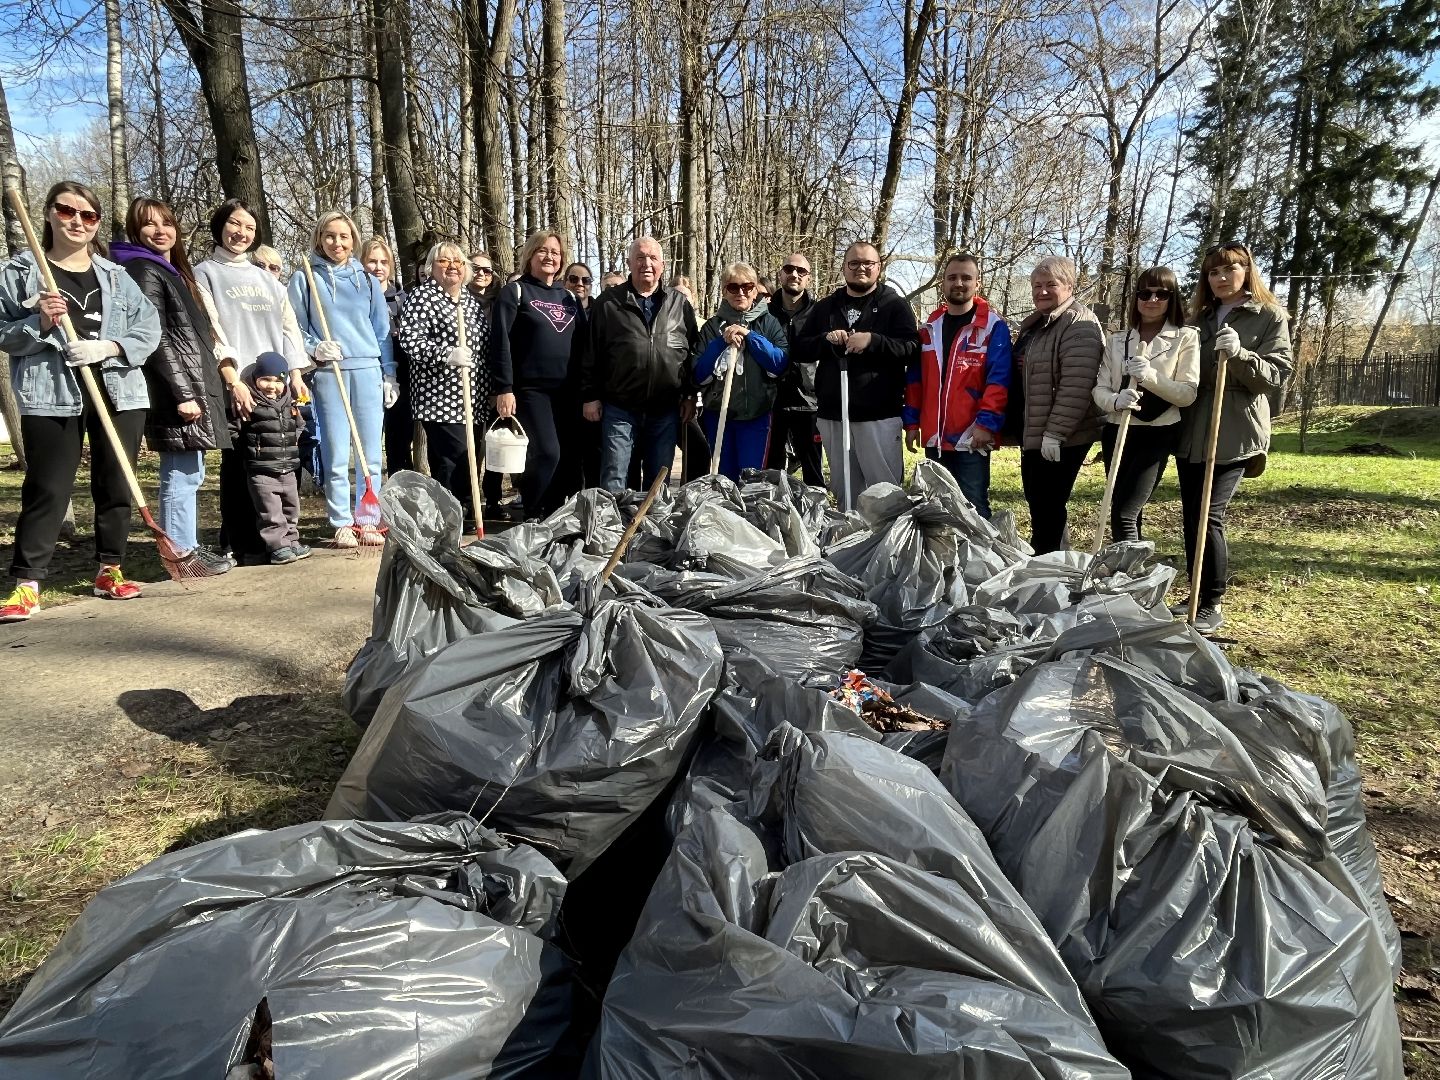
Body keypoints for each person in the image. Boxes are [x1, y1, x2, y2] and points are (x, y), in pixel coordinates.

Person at [0, 180, 162, 622]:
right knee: (47, 487)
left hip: (118, 389)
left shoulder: (115, 275)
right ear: (49, 214)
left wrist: (108, 347)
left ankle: (110, 568)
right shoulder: (19, 273)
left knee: (115, 483)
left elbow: (148, 329)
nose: (77, 221)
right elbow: (3, 332)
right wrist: (39, 323)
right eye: (67, 211)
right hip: (51, 391)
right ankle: (27, 584)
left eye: (88, 215)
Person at [110, 197, 234, 576]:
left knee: (191, 471)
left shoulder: (168, 270)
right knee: (181, 473)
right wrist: (181, 394)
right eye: (149, 224)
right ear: (135, 230)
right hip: (178, 390)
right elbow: (156, 337)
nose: (160, 231)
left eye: (167, 223)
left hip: (192, 383)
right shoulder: (143, 269)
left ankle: (188, 548)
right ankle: (180, 555)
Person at [1176, 242, 1293, 633]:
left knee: (1209, 514)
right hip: (1194, 429)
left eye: (1231, 270)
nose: (1221, 278)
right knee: (1192, 516)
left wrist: (1242, 354)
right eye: (1213, 272)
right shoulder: (1201, 318)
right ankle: (1193, 591)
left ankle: (1211, 601)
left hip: (1235, 429)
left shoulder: (1269, 316)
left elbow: (1276, 375)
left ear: (1247, 271)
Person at [193, 197, 307, 565]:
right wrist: (232, 378)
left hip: (275, 386)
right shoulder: (205, 273)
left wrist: (295, 376)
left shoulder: (267, 280)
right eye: (235, 224)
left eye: (249, 228)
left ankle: (278, 539)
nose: (241, 233)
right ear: (220, 226)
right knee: (240, 463)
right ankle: (241, 543)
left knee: (276, 462)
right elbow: (210, 328)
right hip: (238, 383)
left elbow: (289, 328)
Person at [289, 210, 394, 547]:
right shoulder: (305, 277)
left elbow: (381, 331)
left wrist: (388, 372)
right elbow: (294, 328)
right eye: (330, 235)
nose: (337, 242)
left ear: (353, 241)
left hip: (367, 369)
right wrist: (314, 347)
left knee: (370, 452)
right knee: (335, 450)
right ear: (320, 238)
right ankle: (341, 520)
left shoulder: (365, 279)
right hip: (330, 371)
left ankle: (368, 518)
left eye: (344, 236)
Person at [791, 241, 918, 508]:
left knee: (885, 494)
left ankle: (885, 544)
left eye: (867, 263)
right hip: (834, 414)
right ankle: (849, 541)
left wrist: (873, 341)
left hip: (878, 415)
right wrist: (826, 339)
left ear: (878, 267)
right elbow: (800, 348)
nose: (861, 268)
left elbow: (911, 348)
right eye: (854, 263)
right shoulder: (826, 307)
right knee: (844, 490)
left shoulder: (894, 305)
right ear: (844, 268)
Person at [1091, 266, 1199, 544]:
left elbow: (1187, 394)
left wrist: (1149, 376)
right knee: (1124, 509)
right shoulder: (1118, 340)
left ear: (1172, 298)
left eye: (1161, 294)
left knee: (1124, 512)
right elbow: (1100, 389)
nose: (1152, 300)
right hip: (1118, 430)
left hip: (1157, 432)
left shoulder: (1185, 338)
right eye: (1144, 293)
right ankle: (1128, 574)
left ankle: (1127, 576)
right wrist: (1116, 400)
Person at [583, 237, 698, 492]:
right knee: (615, 478)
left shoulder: (678, 304)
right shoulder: (609, 303)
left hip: (665, 408)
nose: (647, 263)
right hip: (620, 409)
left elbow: (692, 355)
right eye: (640, 258)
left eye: (653, 258)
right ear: (629, 263)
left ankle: (650, 529)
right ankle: (613, 530)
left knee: (659, 482)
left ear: (663, 265)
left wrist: (690, 395)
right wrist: (590, 396)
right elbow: (591, 352)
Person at [1006, 256, 1103, 554]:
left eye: (1051, 284)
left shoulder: (1078, 322)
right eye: (1037, 285)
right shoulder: (1038, 324)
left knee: (1048, 505)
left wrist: (1056, 433)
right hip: (1035, 429)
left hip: (1063, 434)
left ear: (1070, 286)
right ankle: (1053, 564)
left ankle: (1051, 569)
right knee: (1040, 504)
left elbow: (1077, 384)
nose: (1042, 291)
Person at [903, 252, 1011, 518]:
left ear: (978, 283)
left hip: (971, 437)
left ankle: (982, 560)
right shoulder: (929, 327)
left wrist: (986, 425)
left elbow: (999, 380)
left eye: (966, 277)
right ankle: (945, 560)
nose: (959, 283)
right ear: (943, 283)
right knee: (936, 510)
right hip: (934, 436)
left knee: (974, 509)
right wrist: (912, 423)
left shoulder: (992, 327)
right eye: (952, 277)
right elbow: (916, 379)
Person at [490, 230, 585, 518]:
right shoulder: (516, 292)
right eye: (542, 250)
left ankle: (554, 514)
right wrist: (504, 387)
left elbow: (583, 345)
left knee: (568, 456)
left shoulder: (568, 297)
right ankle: (534, 509)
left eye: (555, 252)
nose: (549, 256)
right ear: (530, 255)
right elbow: (500, 341)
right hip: (531, 390)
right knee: (546, 452)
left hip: (568, 391)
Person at [396, 243, 492, 523]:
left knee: (472, 457)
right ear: (430, 267)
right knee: (453, 456)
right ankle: (449, 516)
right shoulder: (422, 297)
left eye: (459, 262)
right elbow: (410, 341)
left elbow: (483, 347)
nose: (453, 266)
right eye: (444, 261)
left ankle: (464, 507)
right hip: (439, 398)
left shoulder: (469, 301)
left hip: (473, 395)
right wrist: (446, 354)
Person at [693, 262, 788, 480]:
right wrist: (720, 343)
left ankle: (749, 515)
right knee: (723, 478)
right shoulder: (711, 326)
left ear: (755, 290)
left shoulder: (769, 323)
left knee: (751, 478)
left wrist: (750, 336)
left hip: (756, 415)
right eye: (733, 287)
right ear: (724, 291)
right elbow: (698, 375)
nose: (741, 292)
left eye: (747, 286)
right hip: (719, 416)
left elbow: (779, 364)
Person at [230, 351, 311, 564]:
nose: (271, 386)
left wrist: (294, 441)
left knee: (291, 509)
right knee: (271, 513)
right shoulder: (250, 403)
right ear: (256, 379)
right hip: (262, 471)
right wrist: (249, 449)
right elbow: (234, 429)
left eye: (277, 381)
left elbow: (300, 425)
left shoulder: (289, 404)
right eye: (265, 379)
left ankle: (292, 541)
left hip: (288, 468)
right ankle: (277, 547)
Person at [764, 253, 822, 484]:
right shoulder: (764, 312)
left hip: (809, 404)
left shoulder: (820, 313)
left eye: (801, 271)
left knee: (813, 472)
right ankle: (769, 515)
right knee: (770, 472)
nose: (794, 274)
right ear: (780, 274)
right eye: (789, 269)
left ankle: (816, 518)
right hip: (771, 402)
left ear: (808, 278)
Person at [362, 237, 413, 474]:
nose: (378, 267)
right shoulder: (356, 297)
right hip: (367, 370)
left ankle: (400, 483)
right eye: (372, 261)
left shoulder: (404, 299)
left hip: (401, 374)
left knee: (399, 437)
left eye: (384, 262)